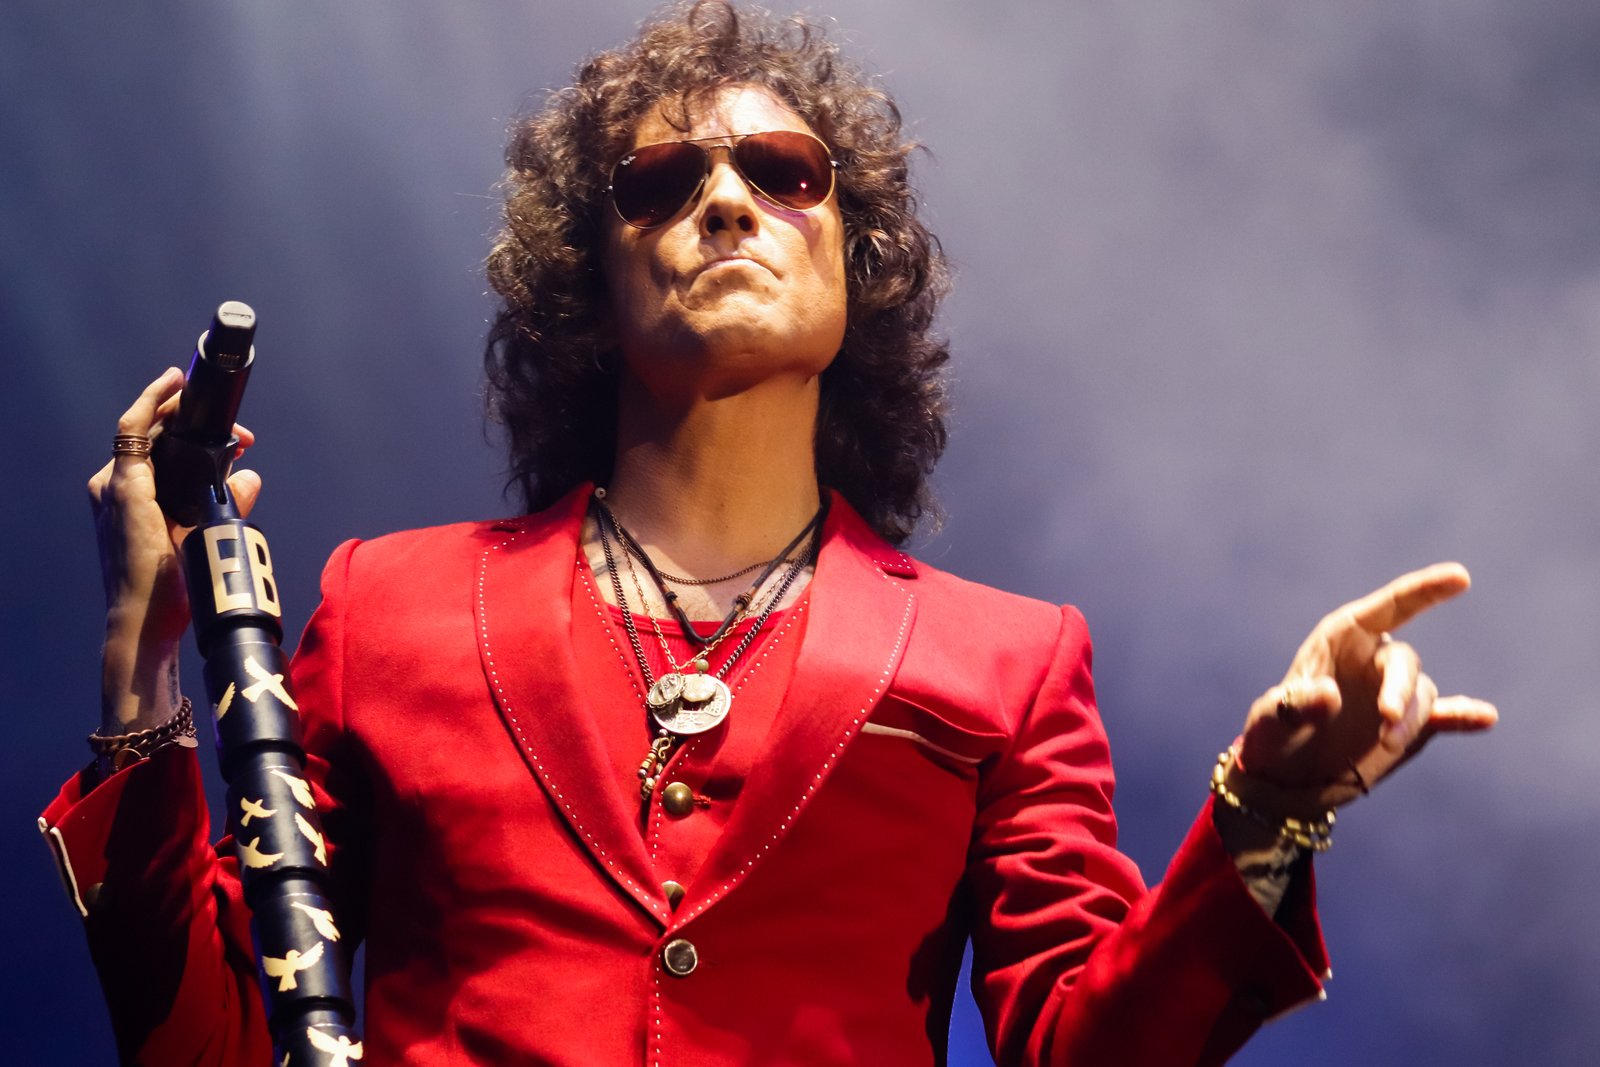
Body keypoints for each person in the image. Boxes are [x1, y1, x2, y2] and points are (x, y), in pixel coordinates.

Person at [44, 2, 1497, 1064]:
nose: (728, 199)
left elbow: (1089, 1048)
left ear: (858, 263)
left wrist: (1265, 813)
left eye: (784, 172)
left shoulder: (1011, 659)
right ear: (590, 282)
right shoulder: (388, 605)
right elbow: (212, 1048)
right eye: (661, 183)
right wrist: (140, 667)